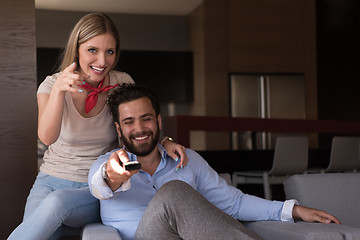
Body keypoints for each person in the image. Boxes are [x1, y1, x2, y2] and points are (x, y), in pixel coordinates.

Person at [8, 13, 188, 240]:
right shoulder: (52, 84)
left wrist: (164, 141)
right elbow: (47, 137)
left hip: (95, 185)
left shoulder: (121, 83)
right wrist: (58, 92)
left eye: (109, 52)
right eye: (93, 50)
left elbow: (137, 126)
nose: (102, 61)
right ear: (77, 49)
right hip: (49, 182)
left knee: (56, 203)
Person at [88, 83, 340, 240]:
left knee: (184, 192)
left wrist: (293, 210)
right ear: (119, 130)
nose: (140, 128)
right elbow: (99, 183)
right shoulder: (105, 165)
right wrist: (112, 176)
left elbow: (233, 203)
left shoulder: (186, 160)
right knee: (173, 191)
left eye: (146, 119)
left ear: (159, 122)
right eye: (129, 122)